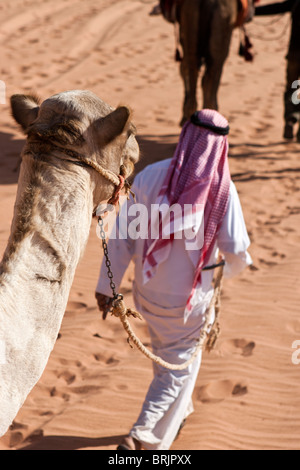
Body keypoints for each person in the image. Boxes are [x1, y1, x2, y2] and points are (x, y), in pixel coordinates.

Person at [95, 110, 252, 451]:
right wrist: (226, 267)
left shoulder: (150, 176)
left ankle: (180, 414)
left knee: (168, 358)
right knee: (177, 369)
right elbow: (238, 249)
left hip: (146, 294)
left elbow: (122, 239)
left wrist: (106, 288)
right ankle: (143, 435)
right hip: (188, 303)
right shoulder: (221, 191)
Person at [255, 0, 300, 141]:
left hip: (294, 55)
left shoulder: (296, 3)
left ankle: (291, 119)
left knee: (293, 87)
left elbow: (276, 8)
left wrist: (252, 12)